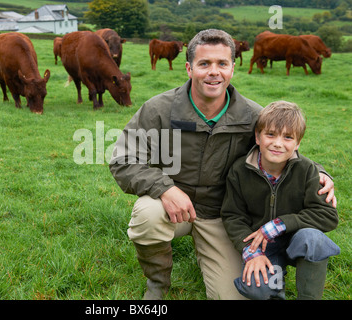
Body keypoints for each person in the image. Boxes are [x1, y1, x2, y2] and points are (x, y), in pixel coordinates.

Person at [109, 29, 336, 300]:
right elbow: (122, 158)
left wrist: (321, 173)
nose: (213, 72)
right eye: (204, 64)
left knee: (235, 296)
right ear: (189, 68)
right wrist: (164, 189)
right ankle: (157, 284)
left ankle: (210, 255)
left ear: (232, 69)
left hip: (222, 215)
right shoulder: (158, 109)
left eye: (222, 64)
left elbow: (283, 148)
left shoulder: (252, 115)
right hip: (172, 207)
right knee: (146, 214)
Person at [221, 101, 340, 300]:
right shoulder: (240, 171)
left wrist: (281, 224)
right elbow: (233, 216)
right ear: (257, 137)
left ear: (298, 143)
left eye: (287, 137)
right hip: (264, 246)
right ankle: (275, 287)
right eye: (271, 134)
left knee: (314, 240)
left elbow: (327, 216)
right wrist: (251, 252)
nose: (278, 143)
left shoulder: (307, 170)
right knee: (258, 287)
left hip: (298, 239)